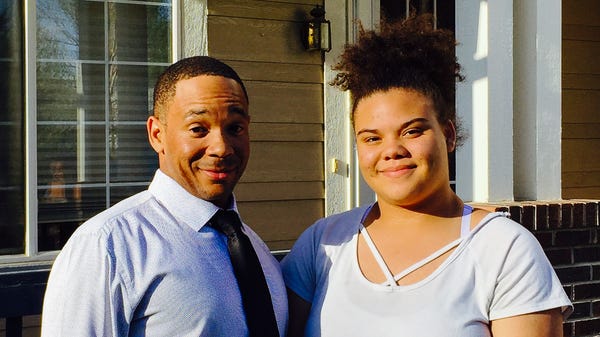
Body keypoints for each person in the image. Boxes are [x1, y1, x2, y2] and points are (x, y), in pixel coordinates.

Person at [281, 15, 572, 337]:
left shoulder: (504, 250)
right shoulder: (324, 243)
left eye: (412, 131)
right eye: (372, 138)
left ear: (447, 134)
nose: (391, 150)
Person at [41, 56, 287, 336]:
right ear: (157, 134)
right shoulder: (109, 246)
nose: (221, 147)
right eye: (198, 129)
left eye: (235, 128)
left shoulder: (256, 251)